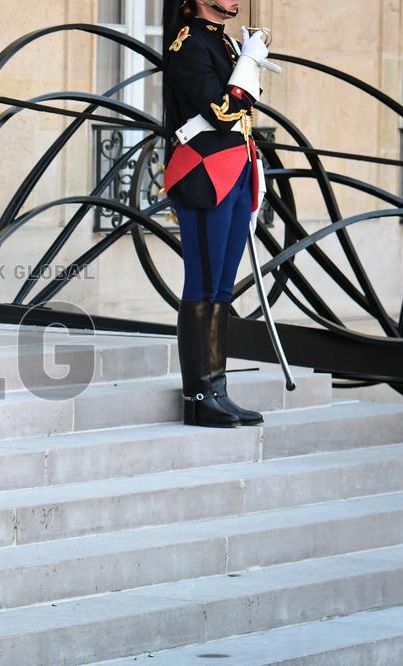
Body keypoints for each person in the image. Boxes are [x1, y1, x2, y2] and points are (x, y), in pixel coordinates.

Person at [162, 0, 271, 427]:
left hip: (236, 171)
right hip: (205, 174)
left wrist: (245, 61)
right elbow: (223, 113)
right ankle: (199, 395)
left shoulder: (221, 44)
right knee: (204, 283)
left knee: (223, 287)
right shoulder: (189, 46)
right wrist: (247, 65)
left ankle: (219, 389)